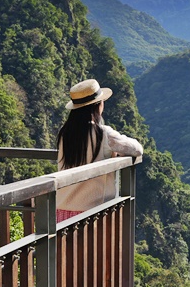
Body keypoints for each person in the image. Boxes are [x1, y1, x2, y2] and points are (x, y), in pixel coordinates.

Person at [56, 78, 143, 222]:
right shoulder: (102, 133)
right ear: (97, 105)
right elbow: (137, 149)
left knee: (67, 246)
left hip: (62, 211)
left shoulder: (65, 134)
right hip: (91, 214)